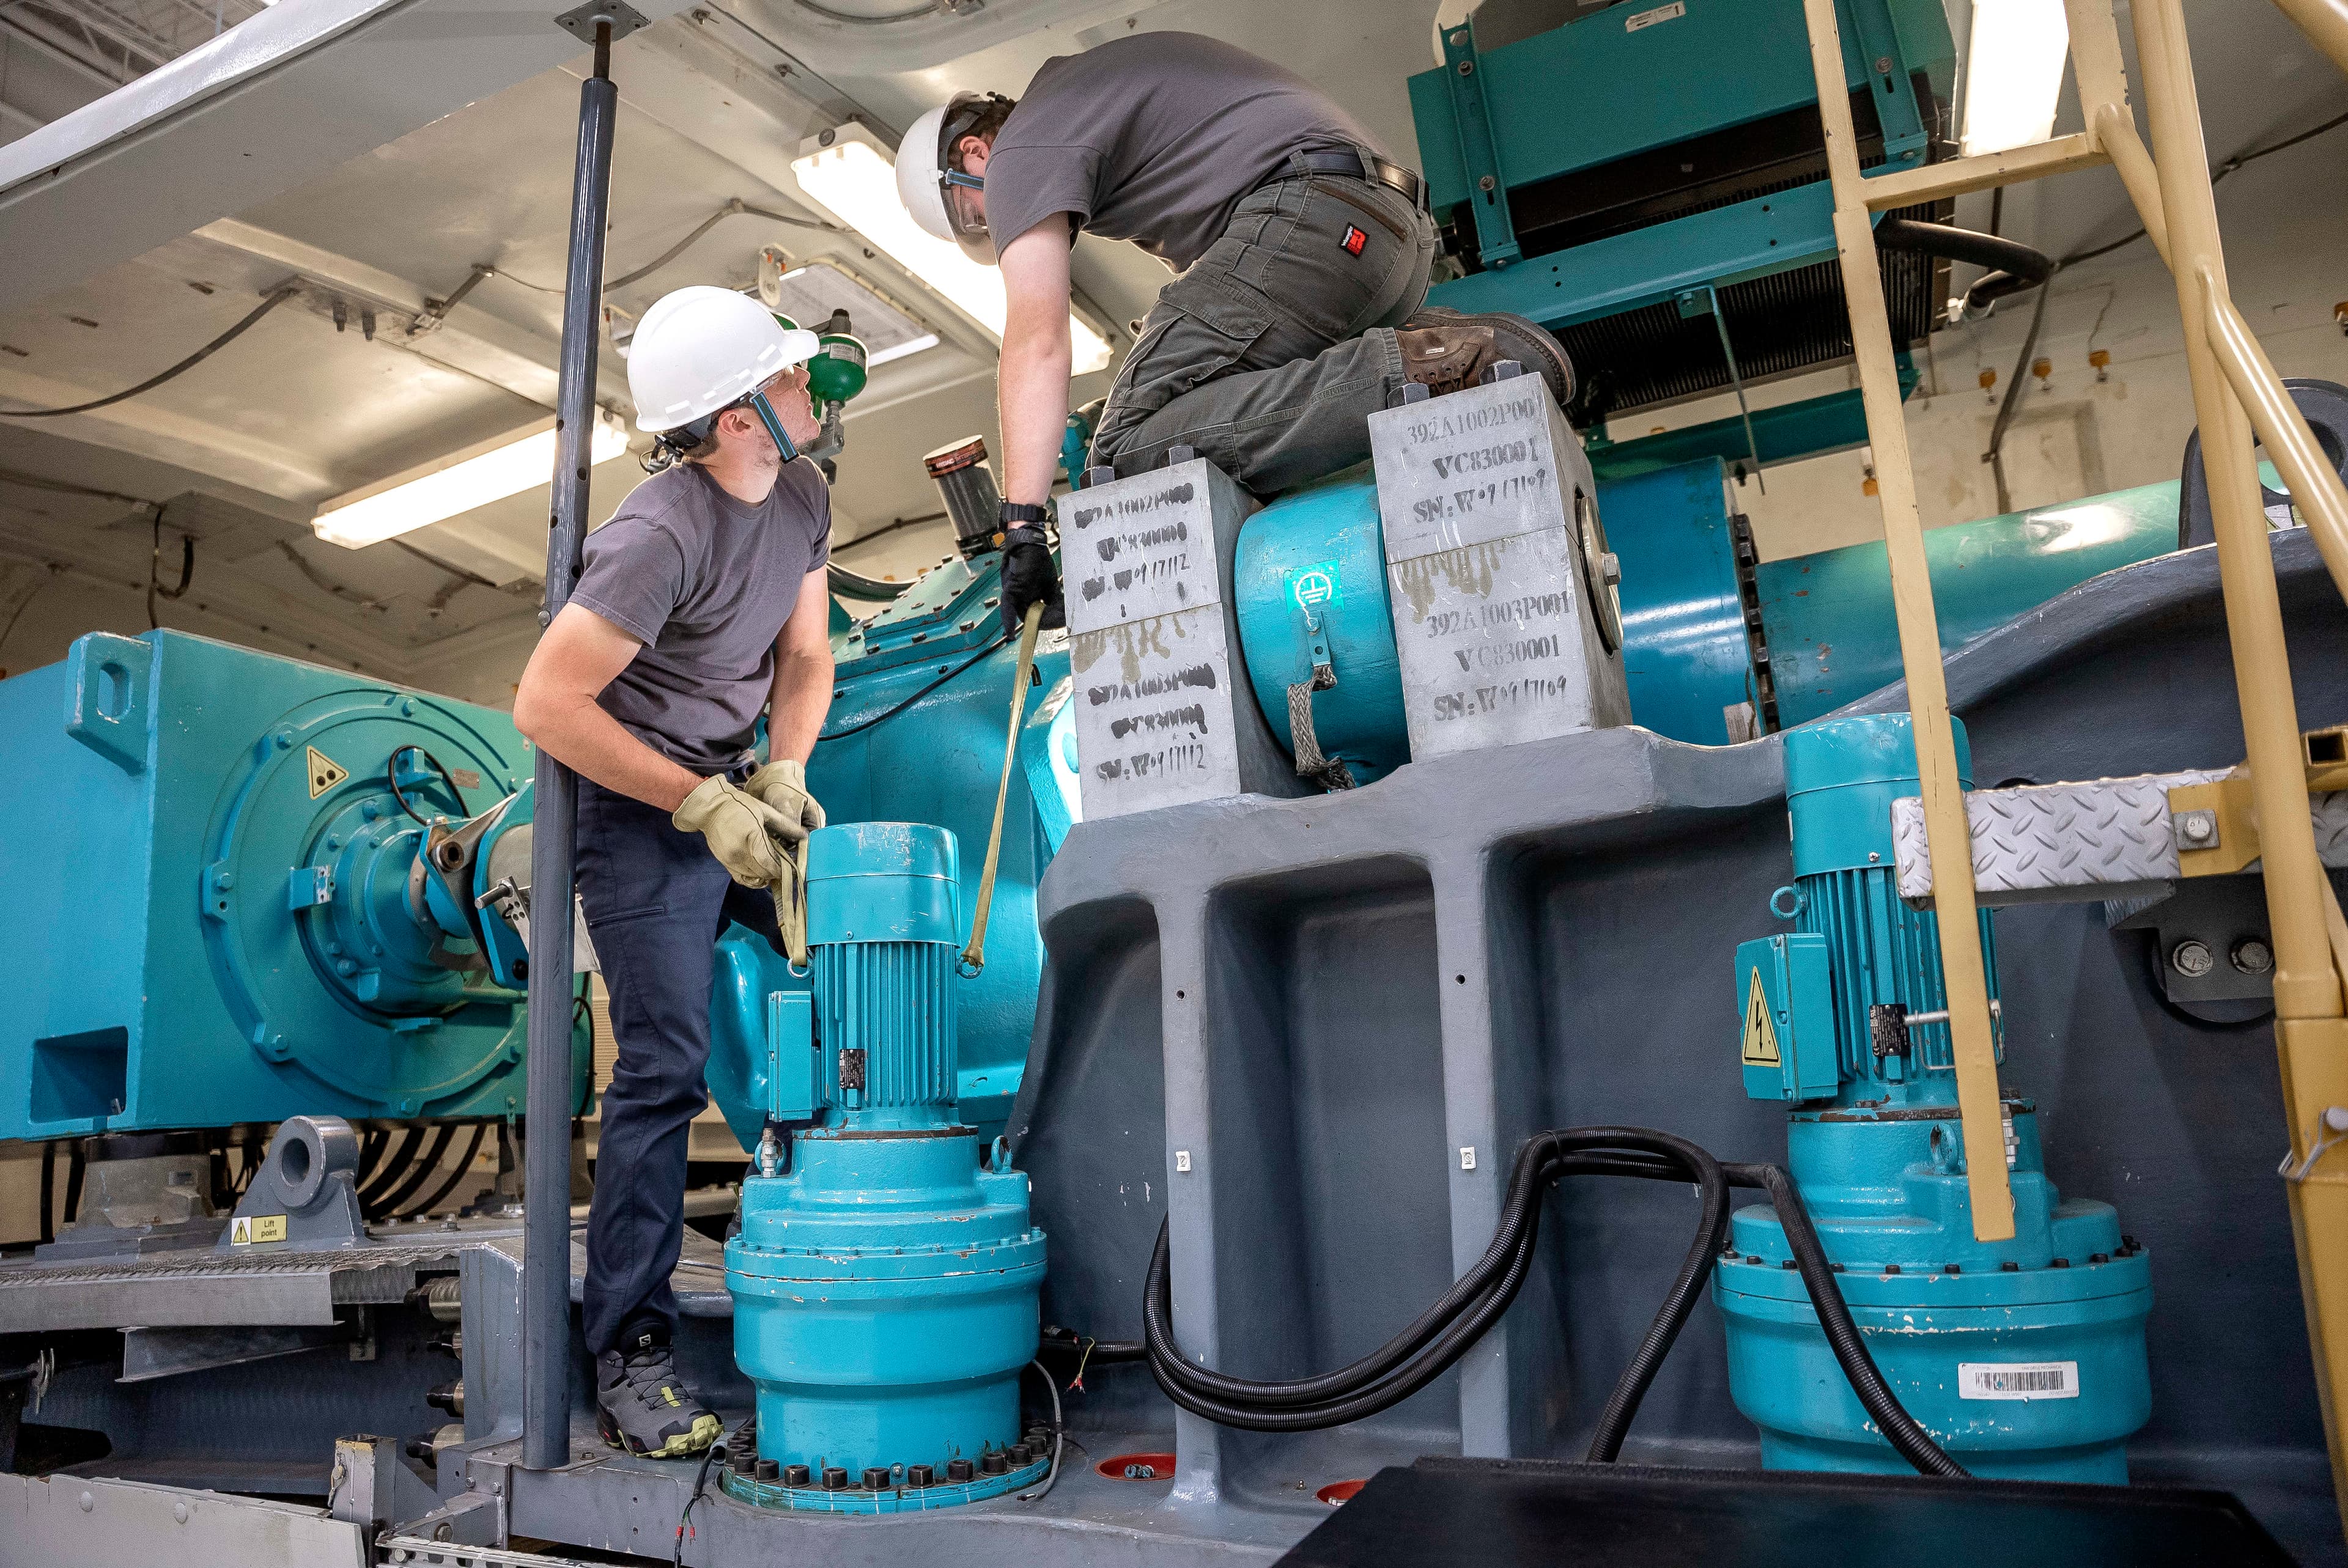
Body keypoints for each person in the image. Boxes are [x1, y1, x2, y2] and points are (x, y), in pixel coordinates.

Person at [892, 31, 1575, 635]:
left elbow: (1036, 340)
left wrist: (1022, 528)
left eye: (978, 217)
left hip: (1312, 215)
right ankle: (1462, 346)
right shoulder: (1093, 104)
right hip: (1385, 238)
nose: (997, 224)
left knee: (1125, 453)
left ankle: (1421, 365)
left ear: (975, 153)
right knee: (1201, 408)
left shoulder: (1024, 147)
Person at [511, 285, 833, 1459]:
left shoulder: (801, 490)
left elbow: (806, 656)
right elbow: (546, 703)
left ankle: (848, 1234)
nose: (814, 390)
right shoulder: (660, 535)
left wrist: (781, 780)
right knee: (661, 1068)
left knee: (852, 943)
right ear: (742, 415)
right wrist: (693, 801)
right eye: (792, 378)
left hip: (739, 778)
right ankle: (629, 1353)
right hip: (639, 805)